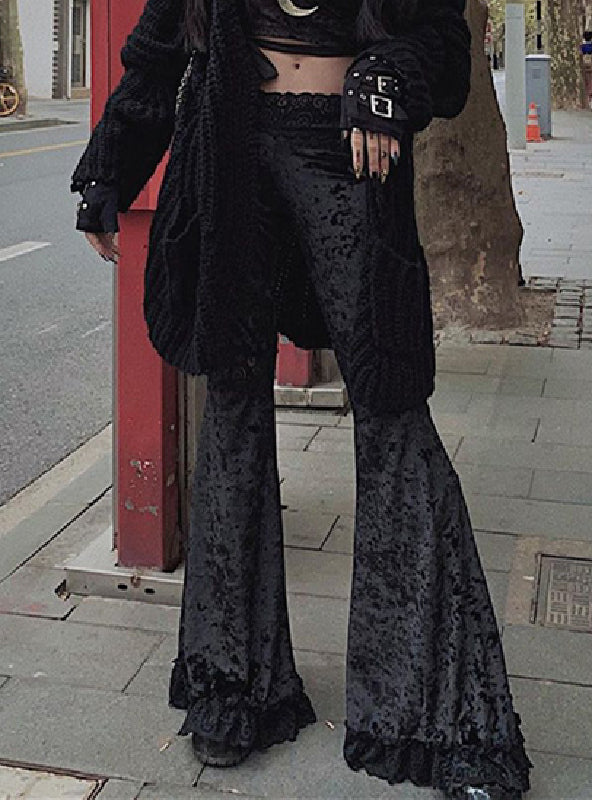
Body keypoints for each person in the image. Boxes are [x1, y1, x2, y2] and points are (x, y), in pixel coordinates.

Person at [70, 1, 533, 798]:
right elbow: (157, 52)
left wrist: (383, 76)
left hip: (350, 155)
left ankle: (437, 715)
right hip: (230, 158)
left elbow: (442, 47)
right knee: (233, 412)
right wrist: (107, 169)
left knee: (392, 412)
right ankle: (231, 684)